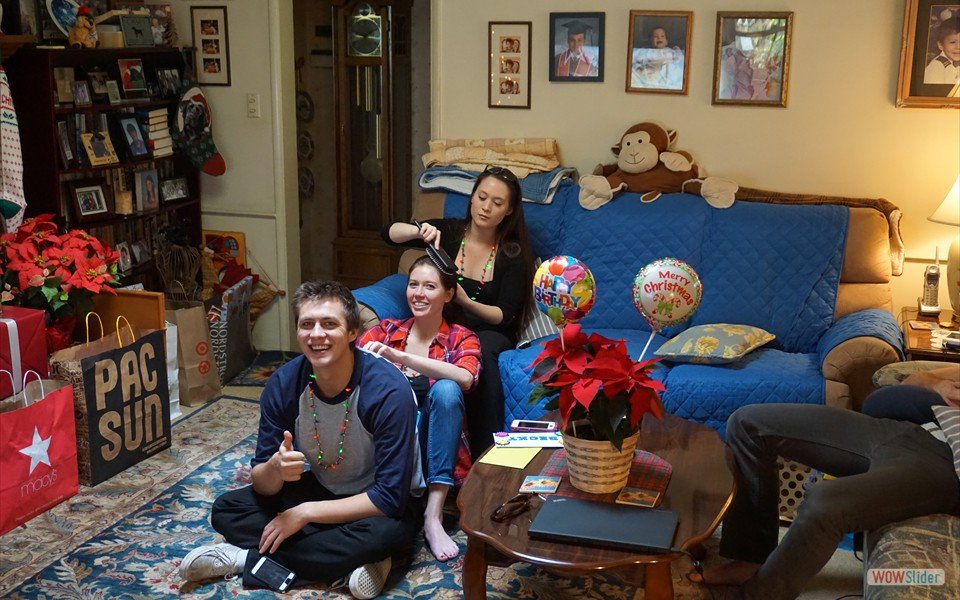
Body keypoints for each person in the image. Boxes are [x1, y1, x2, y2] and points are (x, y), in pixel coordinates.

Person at [178, 281, 423, 598]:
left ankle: (244, 560)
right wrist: (275, 469)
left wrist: (304, 513)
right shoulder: (284, 384)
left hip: (376, 501)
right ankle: (352, 561)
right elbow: (262, 484)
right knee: (228, 510)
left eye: (329, 324)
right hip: (324, 488)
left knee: (388, 533)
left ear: (353, 332)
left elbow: (389, 498)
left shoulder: (388, 391)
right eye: (307, 324)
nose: (316, 334)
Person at [690, 364, 960, 599]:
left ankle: (758, 595)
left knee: (824, 503)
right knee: (747, 424)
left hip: (944, 465)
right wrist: (939, 384)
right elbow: (914, 380)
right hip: (914, 430)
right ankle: (751, 558)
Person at [382, 167, 534, 459]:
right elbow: (388, 234)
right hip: (446, 323)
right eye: (482, 197)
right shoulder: (450, 233)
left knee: (481, 353)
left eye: (497, 203)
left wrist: (465, 301)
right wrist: (417, 231)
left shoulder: (512, 253)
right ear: (472, 197)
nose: (486, 207)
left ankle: (486, 454)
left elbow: (505, 316)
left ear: (509, 210)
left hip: (489, 330)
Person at [358, 255, 482, 562]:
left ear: (448, 294)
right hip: (390, 448)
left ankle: (433, 515)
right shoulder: (386, 331)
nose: (418, 293)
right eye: (413, 284)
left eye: (429, 286)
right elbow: (347, 366)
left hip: (434, 452)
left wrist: (402, 359)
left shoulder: (460, 337)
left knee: (446, 389)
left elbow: (466, 377)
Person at [632, 25, 685, 90]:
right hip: (651, 71)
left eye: (662, 36)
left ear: (666, 41)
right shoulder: (648, 51)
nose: (659, 38)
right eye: (655, 36)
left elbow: (679, 60)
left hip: (665, 71)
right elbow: (637, 58)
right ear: (651, 41)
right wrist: (639, 68)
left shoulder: (670, 51)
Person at [924, 17, 960, 84]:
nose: (958, 47)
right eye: (952, 42)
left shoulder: (956, 63)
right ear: (940, 45)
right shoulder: (937, 67)